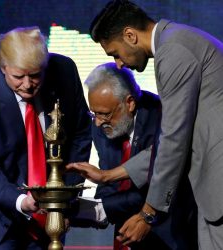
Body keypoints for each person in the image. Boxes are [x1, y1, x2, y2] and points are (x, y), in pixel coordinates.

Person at [0, 26, 91, 249]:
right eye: (18, 76)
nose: (28, 84)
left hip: (46, 214)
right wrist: (22, 201)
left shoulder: (64, 71)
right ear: (3, 68)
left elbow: (80, 134)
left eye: (36, 75)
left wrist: (63, 200)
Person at [88, 0, 223, 248]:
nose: (118, 63)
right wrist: (109, 176)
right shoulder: (176, 41)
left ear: (130, 35)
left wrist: (148, 213)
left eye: (115, 54)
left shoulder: (173, 52)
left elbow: (174, 139)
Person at [67, 62, 196, 250]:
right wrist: (88, 208)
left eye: (104, 114)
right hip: (128, 230)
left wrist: (100, 209)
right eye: (94, 113)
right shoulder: (102, 125)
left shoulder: (163, 118)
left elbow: (156, 187)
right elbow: (108, 182)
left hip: (172, 228)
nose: (97, 123)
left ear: (130, 103)